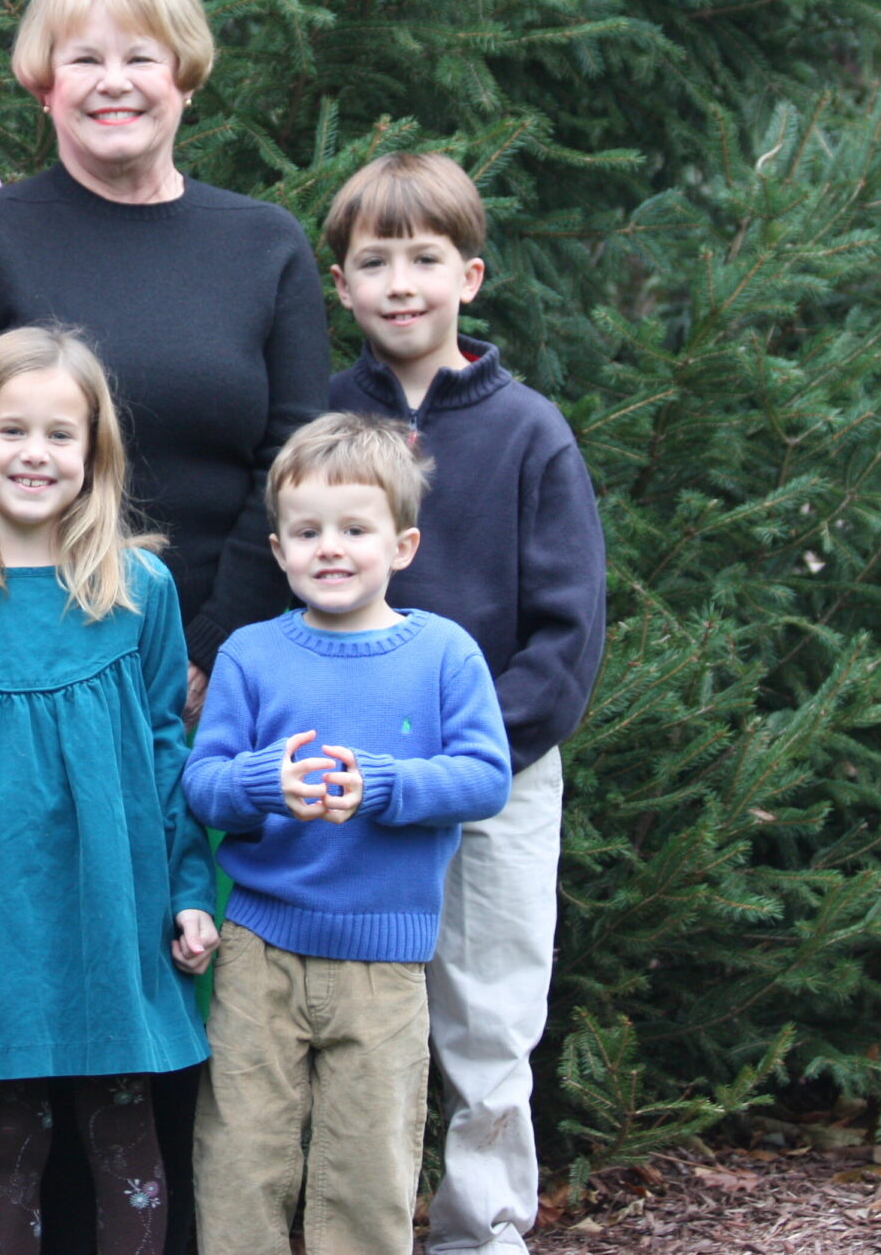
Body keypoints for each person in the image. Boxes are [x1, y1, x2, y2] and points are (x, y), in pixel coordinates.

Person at [0, 0, 326, 1250]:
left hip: (223, 662)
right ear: (41, 77)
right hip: (27, 657)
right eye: (82, 55)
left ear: (185, 71)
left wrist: (210, 649)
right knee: (33, 995)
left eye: (140, 54)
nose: (112, 81)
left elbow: (295, 458)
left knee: (169, 980)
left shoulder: (261, 245)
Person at [320, 152, 607, 1254]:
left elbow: (566, 636)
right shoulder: (322, 422)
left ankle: (482, 1226)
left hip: (496, 778)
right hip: (349, 777)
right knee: (359, 1016)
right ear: (341, 284)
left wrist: (473, 751)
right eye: (374, 262)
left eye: (424, 259)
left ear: (469, 276)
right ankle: (361, 1224)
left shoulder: (530, 431)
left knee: (489, 1016)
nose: (400, 283)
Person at [0, 326, 218, 1255]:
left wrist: (189, 889)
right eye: (12, 430)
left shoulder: (138, 588)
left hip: (113, 907)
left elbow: (167, 749)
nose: (35, 453)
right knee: (1, 1138)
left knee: (124, 1131)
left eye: (60, 434)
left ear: (93, 452)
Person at [182, 413, 513, 1255]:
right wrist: (266, 782)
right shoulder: (251, 654)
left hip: (384, 962)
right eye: (308, 531)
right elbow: (204, 783)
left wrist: (386, 784)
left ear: (402, 545)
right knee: (241, 1156)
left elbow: (486, 776)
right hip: (259, 949)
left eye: (354, 529)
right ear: (279, 548)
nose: (330, 548)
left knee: (368, 1169)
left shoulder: (443, 654)